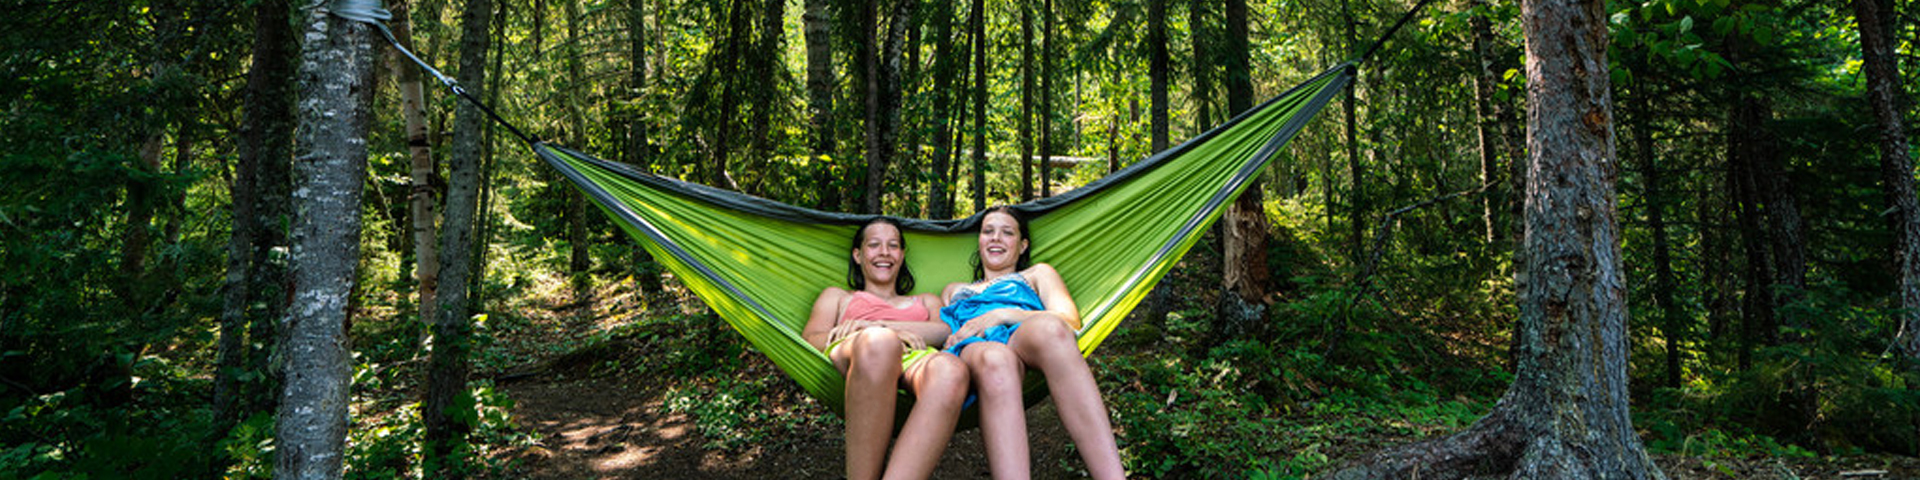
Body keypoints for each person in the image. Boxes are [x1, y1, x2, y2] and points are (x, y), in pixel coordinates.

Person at [941, 206, 1124, 480]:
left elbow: (1069, 321)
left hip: (1022, 333)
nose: (995, 238)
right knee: (995, 360)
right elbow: (943, 331)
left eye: (1007, 233)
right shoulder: (953, 290)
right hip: (975, 347)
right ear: (979, 240)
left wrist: (1000, 314)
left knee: (1053, 329)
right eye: (988, 231)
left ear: (1022, 244)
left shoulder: (1037, 274)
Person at [803, 218, 970, 480]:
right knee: (880, 343)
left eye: (893, 246)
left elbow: (945, 331)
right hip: (860, 352)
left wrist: (883, 324)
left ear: (902, 255)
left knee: (952, 370)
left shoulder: (925, 300)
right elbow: (811, 339)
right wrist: (874, 332)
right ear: (858, 255)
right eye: (874, 245)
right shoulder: (838, 297)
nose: (884, 252)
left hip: (915, 360)